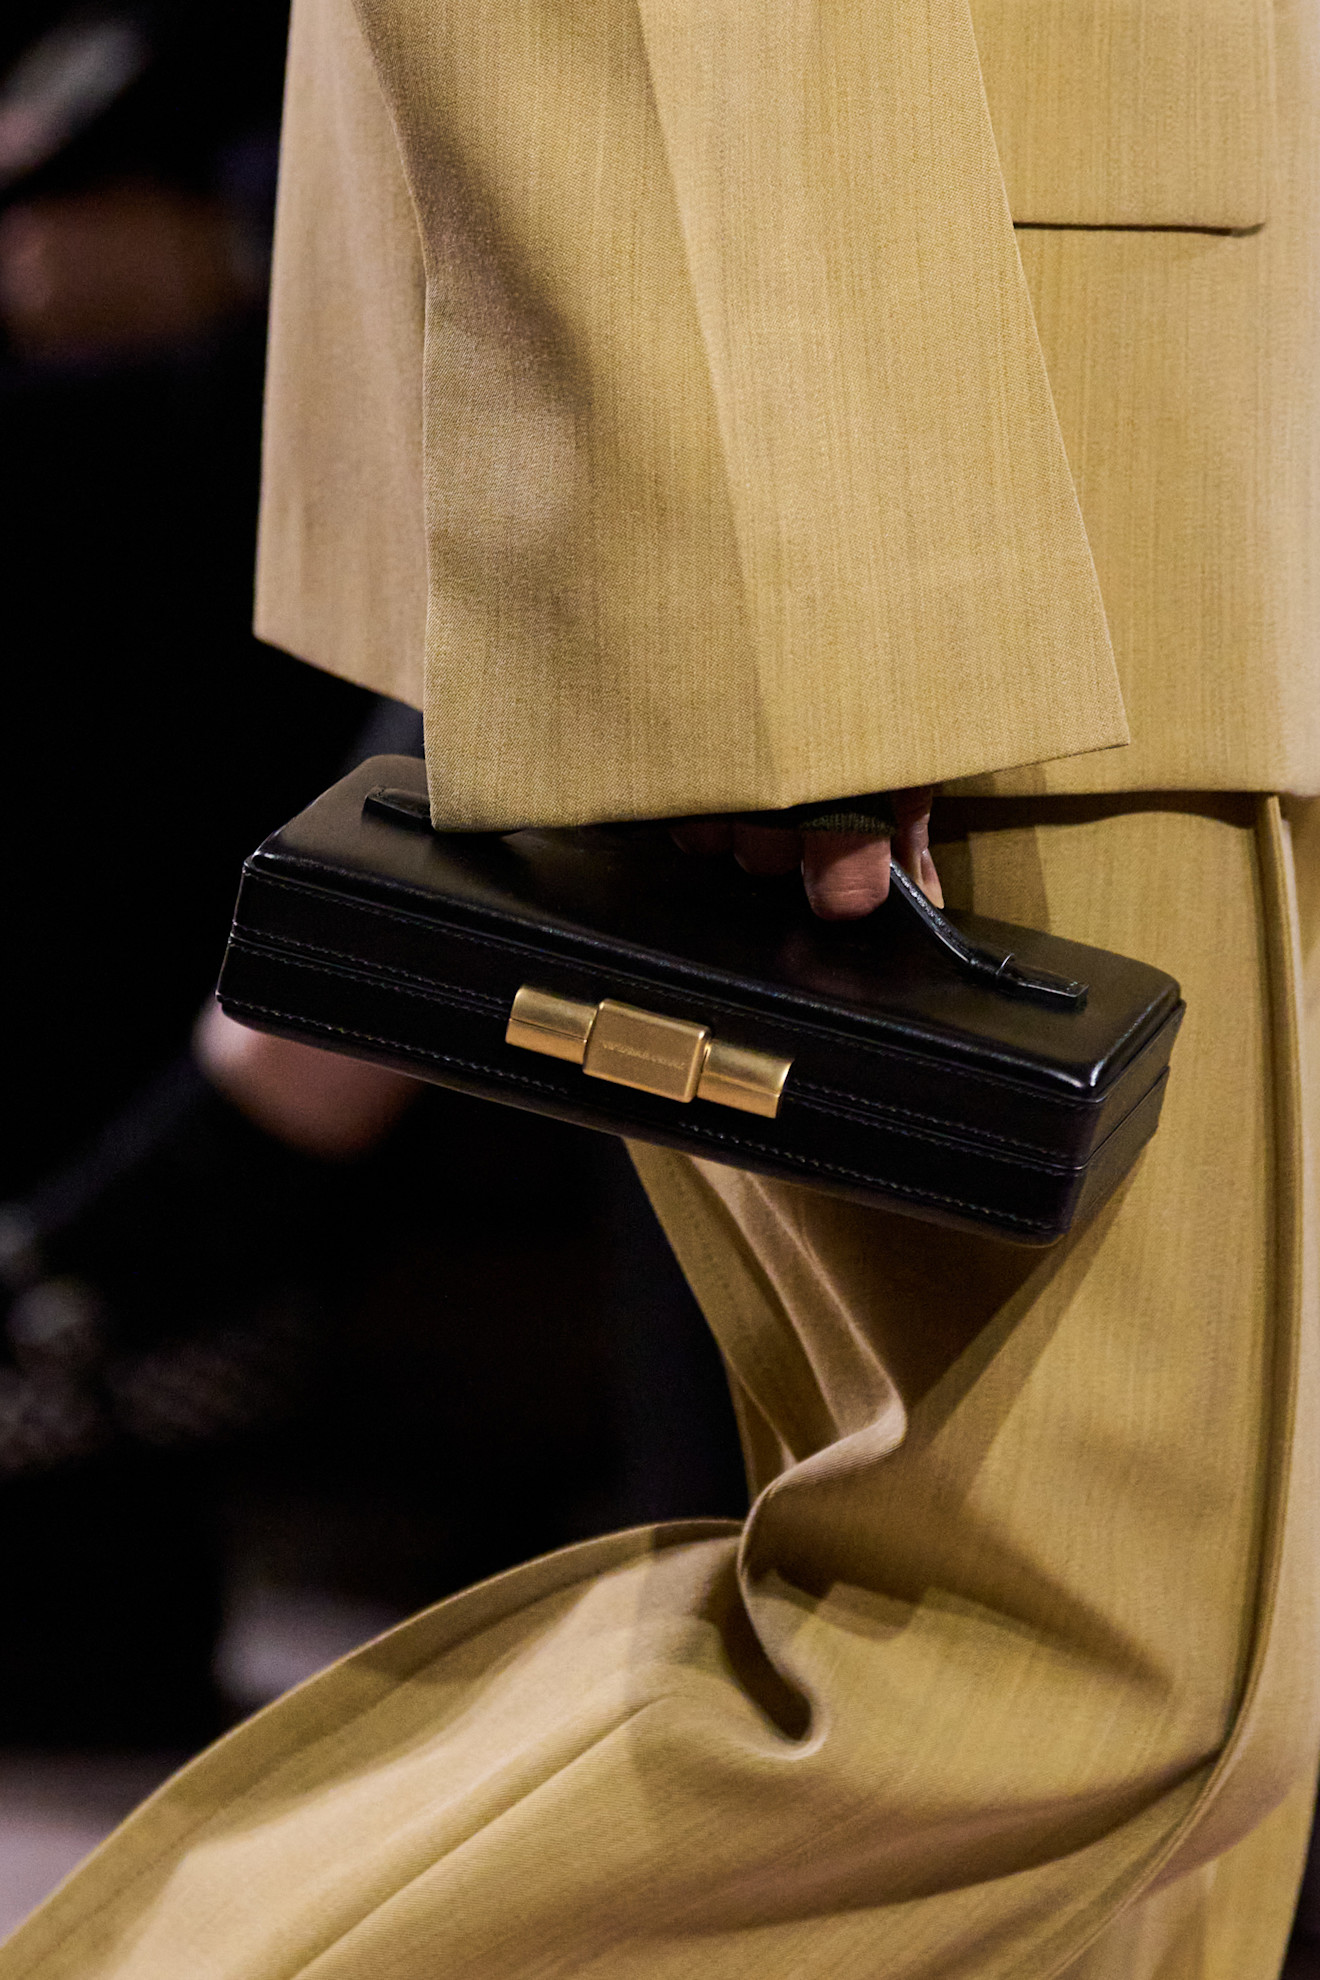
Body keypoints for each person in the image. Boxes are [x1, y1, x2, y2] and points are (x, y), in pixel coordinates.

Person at [3, 0, 1318, 1976]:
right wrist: (757, 522)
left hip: (1184, 372)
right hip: (1007, 406)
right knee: (1051, 1670)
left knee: (1170, 1791)